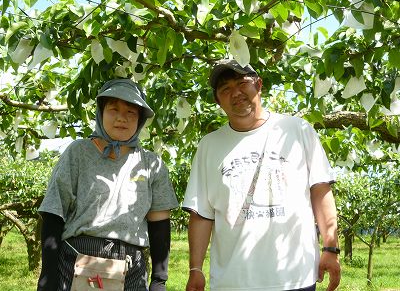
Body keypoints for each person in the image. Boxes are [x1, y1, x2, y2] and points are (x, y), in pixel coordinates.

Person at [183, 59, 341, 291]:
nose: (235, 93)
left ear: (259, 85)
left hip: (295, 276)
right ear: (218, 101)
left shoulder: (297, 130)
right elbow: (202, 214)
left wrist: (330, 247)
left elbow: (320, 190)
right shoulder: (209, 146)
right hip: (233, 282)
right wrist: (195, 269)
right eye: (225, 89)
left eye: (242, 83)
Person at [37, 78, 179, 291]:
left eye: (131, 112)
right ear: (100, 113)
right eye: (114, 109)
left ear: (140, 120)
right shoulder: (78, 152)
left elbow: (159, 223)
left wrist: (159, 279)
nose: (122, 118)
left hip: (131, 270)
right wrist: (48, 275)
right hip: (75, 263)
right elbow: (54, 213)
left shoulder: (151, 164)